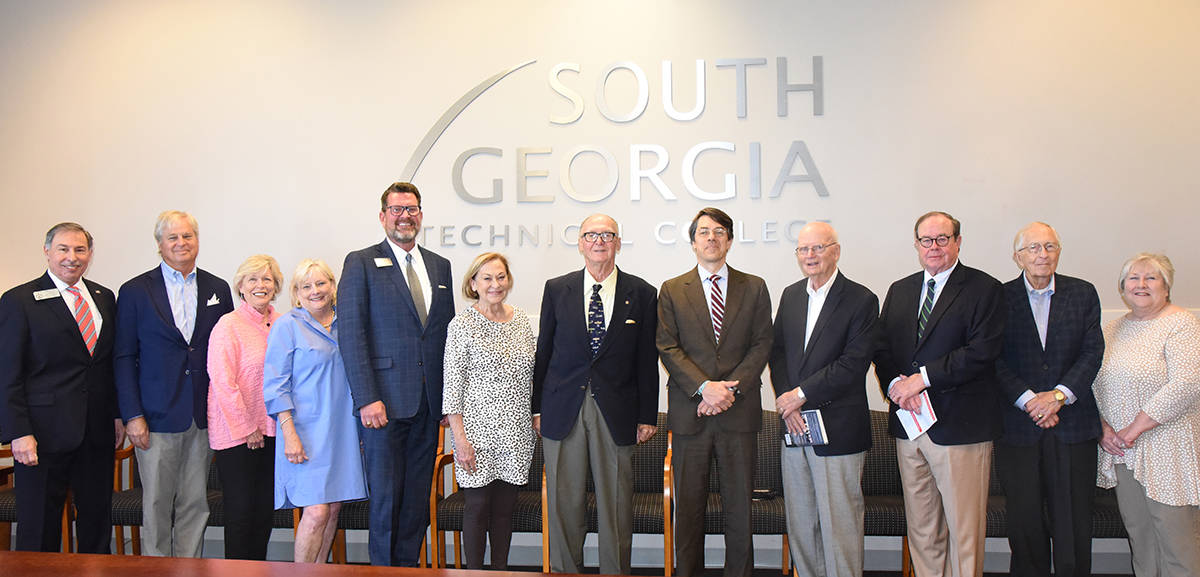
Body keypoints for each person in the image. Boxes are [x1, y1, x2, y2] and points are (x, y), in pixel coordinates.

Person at [873, 211, 1004, 577]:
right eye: (926, 240)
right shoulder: (900, 289)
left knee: (964, 532)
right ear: (916, 245)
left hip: (960, 428)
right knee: (922, 528)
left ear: (958, 242)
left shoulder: (984, 289)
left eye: (942, 239)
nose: (934, 247)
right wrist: (896, 387)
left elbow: (982, 351)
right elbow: (882, 349)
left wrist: (922, 379)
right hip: (910, 424)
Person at [533, 214, 659, 575]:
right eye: (592, 235)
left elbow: (646, 360)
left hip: (617, 411)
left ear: (618, 242)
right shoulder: (558, 289)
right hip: (562, 409)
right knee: (563, 502)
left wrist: (647, 415)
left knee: (616, 503)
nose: (599, 241)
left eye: (607, 235)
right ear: (580, 242)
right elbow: (545, 352)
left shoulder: (643, 293)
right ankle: (564, 570)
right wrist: (537, 407)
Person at [338, 182, 455, 566]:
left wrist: (448, 401)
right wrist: (366, 398)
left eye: (412, 209)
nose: (405, 216)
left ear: (421, 214)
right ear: (383, 215)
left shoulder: (440, 266)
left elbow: (444, 336)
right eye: (397, 209)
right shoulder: (361, 262)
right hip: (382, 404)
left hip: (427, 404)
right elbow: (352, 335)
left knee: (417, 500)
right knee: (386, 499)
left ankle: (408, 570)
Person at [657, 207, 773, 577]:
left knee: (739, 509)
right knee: (688, 508)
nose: (711, 238)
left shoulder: (753, 286)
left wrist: (727, 393)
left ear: (730, 240)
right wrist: (705, 388)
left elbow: (761, 345)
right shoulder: (673, 289)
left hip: (738, 416)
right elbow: (668, 346)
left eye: (719, 231)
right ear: (693, 242)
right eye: (704, 232)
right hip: (691, 414)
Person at [0, 222, 125, 553]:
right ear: (47, 252)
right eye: (63, 249)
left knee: (96, 523)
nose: (72, 257)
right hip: (42, 436)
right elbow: (7, 373)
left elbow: (107, 364)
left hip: (96, 432)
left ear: (90, 254)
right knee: (39, 525)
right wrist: (18, 432)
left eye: (80, 249)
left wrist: (115, 415)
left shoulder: (103, 297)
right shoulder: (19, 300)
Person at [114, 210, 233, 557]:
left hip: (200, 415)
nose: (181, 243)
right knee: (155, 504)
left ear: (197, 240)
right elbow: (123, 357)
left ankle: (189, 568)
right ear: (159, 244)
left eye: (187, 236)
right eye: (173, 238)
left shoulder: (217, 288)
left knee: (196, 504)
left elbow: (221, 352)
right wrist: (132, 414)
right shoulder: (136, 290)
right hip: (154, 417)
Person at [768, 222, 878, 577]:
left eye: (818, 248)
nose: (810, 256)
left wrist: (799, 396)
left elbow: (853, 364)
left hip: (839, 430)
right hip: (795, 427)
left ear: (836, 251)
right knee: (801, 524)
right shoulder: (791, 295)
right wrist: (788, 402)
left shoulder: (861, 300)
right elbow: (778, 353)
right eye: (803, 249)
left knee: (840, 527)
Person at [994, 222, 1104, 577]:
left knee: (1073, 523)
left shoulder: (1083, 293)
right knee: (1024, 522)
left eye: (1050, 246)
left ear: (1058, 251)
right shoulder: (998, 298)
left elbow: (1092, 351)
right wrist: (1030, 401)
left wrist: (1057, 397)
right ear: (1017, 257)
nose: (1043, 254)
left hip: (1072, 426)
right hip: (1018, 428)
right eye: (1034, 248)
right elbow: (992, 358)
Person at [1094, 253, 1200, 577]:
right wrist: (1104, 428)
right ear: (1122, 287)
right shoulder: (1112, 329)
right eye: (1133, 278)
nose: (1141, 285)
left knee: (1176, 541)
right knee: (1140, 537)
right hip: (1123, 451)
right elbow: (1094, 384)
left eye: (1151, 278)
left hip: (1169, 449)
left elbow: (1188, 383)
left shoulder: (1181, 323)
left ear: (1166, 286)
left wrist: (1134, 428)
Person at [263, 259, 367, 563]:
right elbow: (275, 385)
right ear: (296, 293)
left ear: (333, 286)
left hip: (343, 431)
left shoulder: (346, 322)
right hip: (303, 432)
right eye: (306, 286)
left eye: (321, 283)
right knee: (316, 510)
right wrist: (289, 433)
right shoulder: (287, 325)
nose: (315, 291)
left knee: (333, 507)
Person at [443, 252, 536, 570]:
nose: (495, 284)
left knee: (504, 509)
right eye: (487, 278)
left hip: (516, 433)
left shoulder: (522, 320)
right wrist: (460, 440)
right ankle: (475, 573)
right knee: (477, 506)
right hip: (475, 433)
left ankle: (500, 571)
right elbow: (452, 388)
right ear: (473, 283)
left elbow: (536, 374)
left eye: (500, 277)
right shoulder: (461, 325)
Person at [206, 254, 283, 560]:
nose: (260, 285)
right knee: (241, 511)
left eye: (267, 279)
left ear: (276, 286)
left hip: (274, 431)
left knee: (264, 510)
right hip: (238, 434)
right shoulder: (228, 325)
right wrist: (247, 427)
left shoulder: (283, 323)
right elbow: (223, 383)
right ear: (241, 286)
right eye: (253, 279)